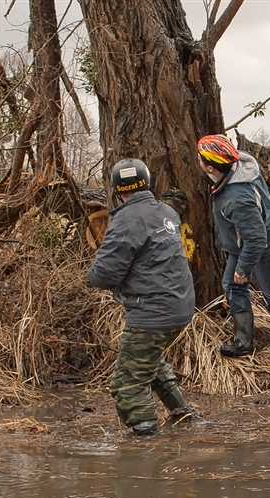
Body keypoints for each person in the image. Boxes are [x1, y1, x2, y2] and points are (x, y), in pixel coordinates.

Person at [88, 158, 198, 436]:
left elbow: (103, 275)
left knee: (127, 384)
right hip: (181, 306)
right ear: (147, 183)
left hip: (152, 312)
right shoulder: (167, 212)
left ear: (116, 189)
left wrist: (89, 274)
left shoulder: (125, 219)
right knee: (148, 359)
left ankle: (145, 445)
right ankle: (184, 416)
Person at [197, 134, 270, 371]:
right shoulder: (240, 164)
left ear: (211, 167)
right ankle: (244, 342)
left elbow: (256, 238)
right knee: (231, 284)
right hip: (246, 242)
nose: (198, 162)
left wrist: (243, 268)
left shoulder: (237, 198)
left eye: (201, 160)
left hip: (264, 243)